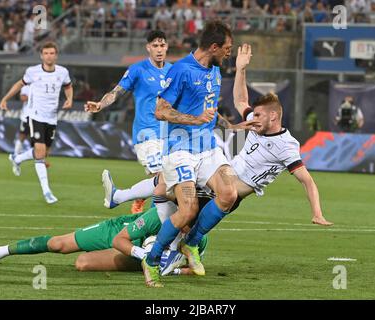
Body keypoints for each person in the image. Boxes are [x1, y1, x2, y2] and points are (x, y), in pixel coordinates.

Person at [106, 44, 333, 286]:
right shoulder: (257, 125)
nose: (252, 119)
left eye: (257, 115)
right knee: (166, 191)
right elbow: (240, 99)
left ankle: (165, 252)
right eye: (253, 115)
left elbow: (307, 180)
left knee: (172, 199)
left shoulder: (287, 146)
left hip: (226, 195)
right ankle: (146, 227)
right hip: (218, 178)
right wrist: (240, 69)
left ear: (273, 117)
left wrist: (317, 213)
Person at [141, 20, 240, 287]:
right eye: (227, 48)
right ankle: (151, 261)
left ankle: (191, 244)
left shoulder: (215, 70)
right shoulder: (182, 70)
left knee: (230, 193)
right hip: (180, 149)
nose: (229, 53)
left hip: (207, 147)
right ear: (214, 47)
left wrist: (229, 125)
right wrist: (194, 120)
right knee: (188, 211)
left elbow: (207, 107)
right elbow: (160, 110)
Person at [0, 206, 207, 277]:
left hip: (143, 259)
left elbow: (192, 269)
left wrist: (171, 270)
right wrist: (143, 255)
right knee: (58, 245)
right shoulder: (159, 217)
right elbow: (119, 239)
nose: (187, 227)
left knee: (82, 263)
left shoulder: (199, 238)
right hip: (125, 234)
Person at [85, 30, 172, 214]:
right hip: (146, 133)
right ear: (148, 47)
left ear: (167, 47)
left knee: (170, 182)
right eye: (155, 46)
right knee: (163, 178)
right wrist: (101, 104)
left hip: (169, 134)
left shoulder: (173, 70)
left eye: (162, 45)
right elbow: (117, 91)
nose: (159, 49)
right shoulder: (137, 70)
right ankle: (144, 219)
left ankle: (134, 198)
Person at [0, 42, 73, 204]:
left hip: (52, 118)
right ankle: (47, 191)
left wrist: (69, 99)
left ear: (56, 55)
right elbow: (19, 84)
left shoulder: (62, 72)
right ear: (41, 55)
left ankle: (17, 158)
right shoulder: (32, 72)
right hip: (36, 116)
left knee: (44, 153)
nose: (49, 56)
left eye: (52, 53)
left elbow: (68, 86)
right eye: (46, 53)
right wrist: (5, 99)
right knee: (40, 153)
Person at [13, 85, 30, 155]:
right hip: (27, 115)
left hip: (39, 116)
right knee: (22, 135)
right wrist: (35, 97)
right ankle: (16, 154)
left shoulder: (42, 84)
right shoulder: (26, 86)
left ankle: (39, 159)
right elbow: (22, 98)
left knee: (39, 138)